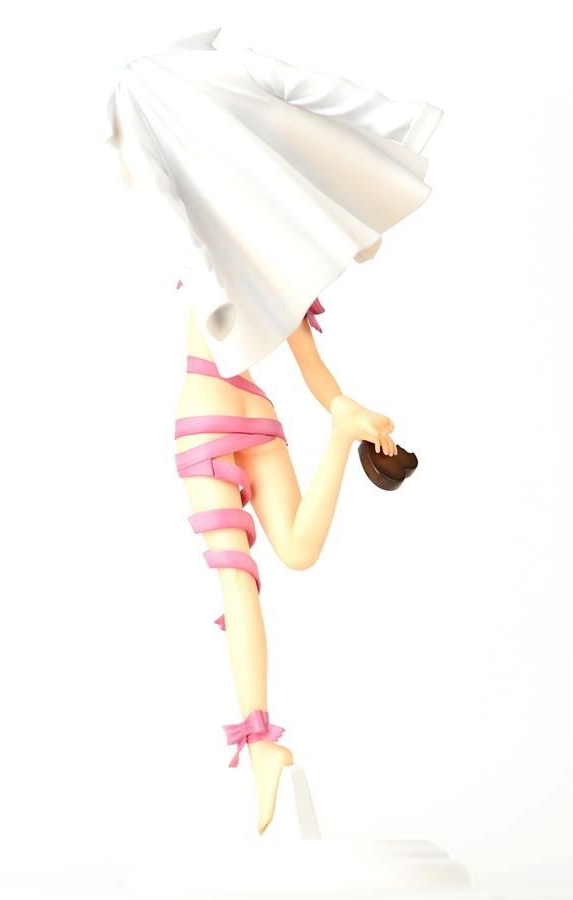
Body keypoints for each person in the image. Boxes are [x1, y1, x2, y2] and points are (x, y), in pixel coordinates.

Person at [105, 25, 443, 834]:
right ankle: (262, 742)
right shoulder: (268, 252)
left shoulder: (207, 242)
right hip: (258, 413)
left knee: (240, 579)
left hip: (206, 413)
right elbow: (311, 370)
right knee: (291, 552)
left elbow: (170, 207)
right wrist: (342, 412)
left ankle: (260, 742)